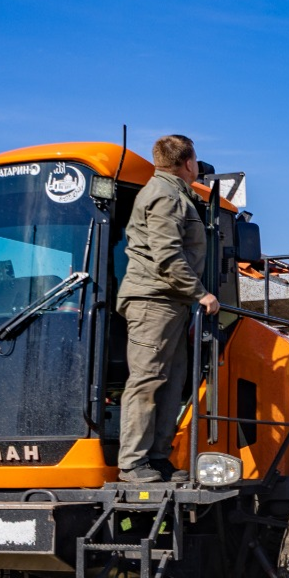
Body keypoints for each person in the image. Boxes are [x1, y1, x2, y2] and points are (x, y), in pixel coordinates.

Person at [116, 134, 220, 483]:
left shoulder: (175, 194)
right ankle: (133, 463)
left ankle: (157, 458)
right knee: (147, 381)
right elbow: (167, 255)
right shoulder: (164, 195)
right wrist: (201, 293)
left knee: (171, 381)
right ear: (188, 162)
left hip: (169, 301)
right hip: (153, 301)